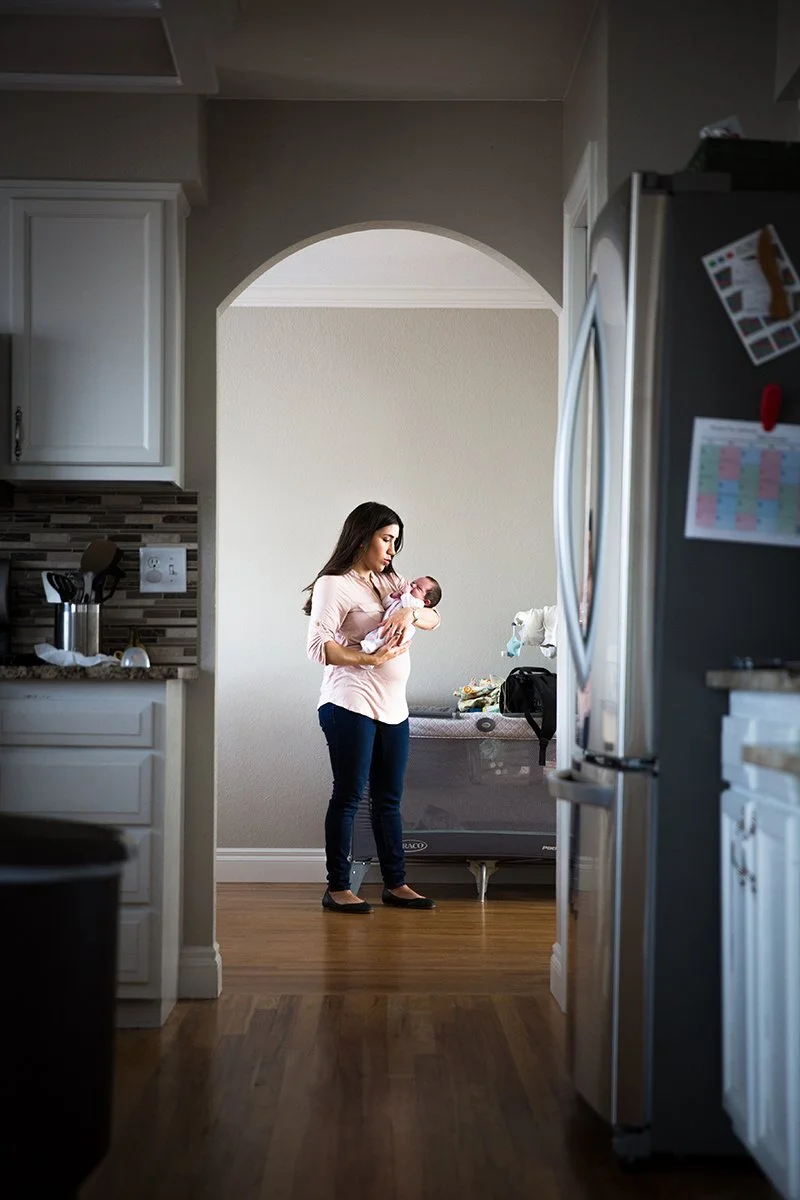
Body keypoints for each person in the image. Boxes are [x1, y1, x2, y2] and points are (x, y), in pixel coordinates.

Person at [304, 502, 440, 913]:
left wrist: (414, 615)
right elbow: (316, 648)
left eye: (396, 541)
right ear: (362, 536)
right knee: (348, 796)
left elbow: (435, 618)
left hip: (393, 709)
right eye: (386, 539)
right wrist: (368, 659)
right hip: (349, 703)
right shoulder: (335, 584)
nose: (392, 550)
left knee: (388, 799)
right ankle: (338, 886)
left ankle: (395, 883)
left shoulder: (392, 581)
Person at [360, 575, 442, 654]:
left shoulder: (418, 603)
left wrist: (405, 594)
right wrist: (393, 596)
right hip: (387, 624)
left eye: (418, 588)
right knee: (375, 635)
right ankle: (368, 651)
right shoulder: (403, 597)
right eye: (413, 582)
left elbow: (409, 606)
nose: (412, 585)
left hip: (399, 630)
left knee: (386, 638)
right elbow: (385, 605)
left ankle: (373, 647)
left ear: (426, 602)